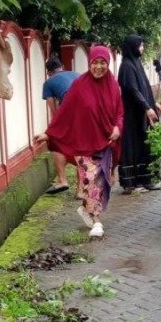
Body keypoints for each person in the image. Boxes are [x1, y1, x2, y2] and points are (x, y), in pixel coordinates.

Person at [35, 46, 123, 238]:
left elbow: (119, 113)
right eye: (95, 62)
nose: (98, 67)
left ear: (107, 64)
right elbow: (64, 112)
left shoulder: (113, 86)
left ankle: (86, 210)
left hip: (105, 142)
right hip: (84, 142)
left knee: (101, 181)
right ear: (89, 63)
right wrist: (49, 134)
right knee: (92, 181)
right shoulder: (79, 85)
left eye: (103, 63)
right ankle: (97, 221)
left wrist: (117, 127)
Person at [118, 34, 161, 194]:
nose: (143, 48)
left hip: (141, 113)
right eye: (140, 45)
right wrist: (146, 107)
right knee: (134, 146)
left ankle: (146, 179)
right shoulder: (126, 66)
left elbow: (143, 87)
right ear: (133, 46)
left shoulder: (136, 63)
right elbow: (132, 89)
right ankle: (133, 182)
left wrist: (153, 104)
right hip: (133, 115)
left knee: (145, 145)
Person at [41, 57, 80, 194]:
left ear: (48, 72)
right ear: (62, 66)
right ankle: (81, 190)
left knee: (56, 143)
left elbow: (53, 111)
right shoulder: (76, 74)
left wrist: (53, 129)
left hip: (70, 108)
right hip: (89, 111)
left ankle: (62, 180)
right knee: (81, 147)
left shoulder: (49, 82)